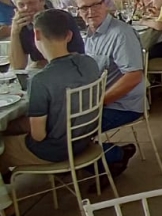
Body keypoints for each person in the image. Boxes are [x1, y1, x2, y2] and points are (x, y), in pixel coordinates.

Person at [0, 9, 102, 176]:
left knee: (3, 146)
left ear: (37, 35)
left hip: (54, 151)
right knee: (14, 124)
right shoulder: (89, 63)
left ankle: (7, 198)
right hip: (84, 140)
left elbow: (38, 136)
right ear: (69, 35)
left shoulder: (41, 80)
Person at [75, 0, 143, 175]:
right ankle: (97, 159)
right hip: (99, 102)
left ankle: (114, 155)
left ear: (105, 5)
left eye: (95, 5)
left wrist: (97, 103)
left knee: (67, 131)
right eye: (84, 8)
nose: (90, 11)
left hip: (123, 106)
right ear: (78, 12)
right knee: (58, 125)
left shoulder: (120, 34)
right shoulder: (89, 35)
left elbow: (134, 76)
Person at [9, 0, 86, 70]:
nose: (27, 8)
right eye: (21, 5)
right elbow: (18, 66)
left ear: (42, 1)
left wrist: (40, 64)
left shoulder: (62, 18)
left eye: (31, 3)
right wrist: (14, 32)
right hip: (42, 74)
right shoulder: (21, 25)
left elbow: (77, 56)